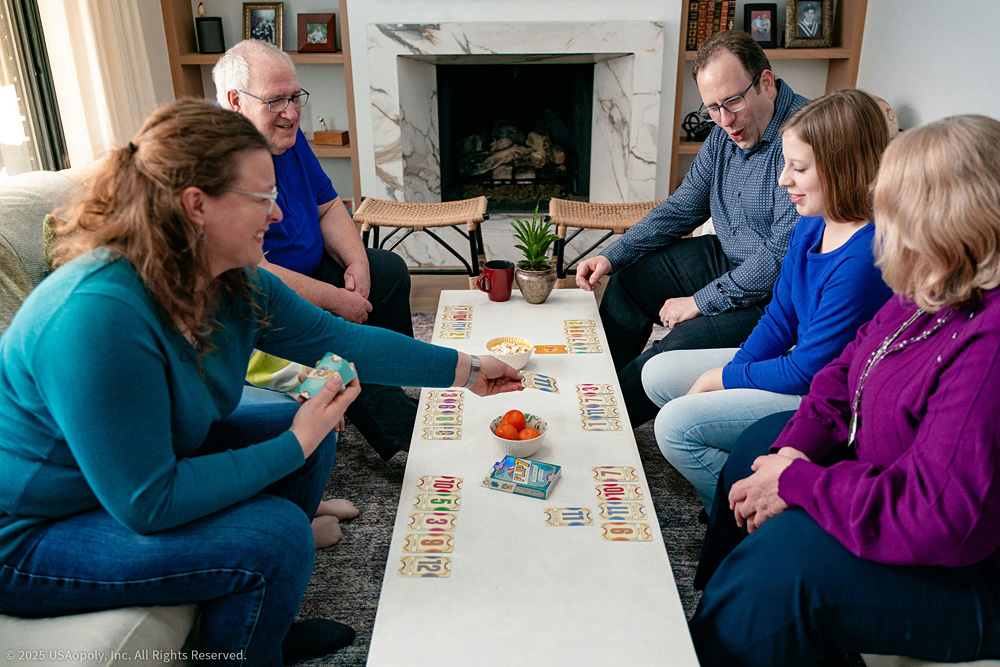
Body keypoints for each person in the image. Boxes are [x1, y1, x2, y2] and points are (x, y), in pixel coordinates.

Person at [0, 99, 523, 665]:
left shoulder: (232, 280)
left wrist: (469, 370)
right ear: (196, 206)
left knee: (302, 443)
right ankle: (252, 618)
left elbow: (344, 341)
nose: (278, 214)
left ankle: (256, 621)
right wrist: (296, 440)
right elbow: (148, 503)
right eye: (262, 197)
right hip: (32, 534)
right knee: (278, 532)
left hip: (127, 480)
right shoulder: (96, 318)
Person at [689, 114, 1000, 666]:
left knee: (781, 571)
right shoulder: (932, 284)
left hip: (967, 570)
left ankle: (743, 619)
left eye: (892, 209)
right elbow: (844, 370)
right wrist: (792, 454)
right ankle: (716, 620)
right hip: (883, 480)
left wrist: (799, 482)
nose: (880, 223)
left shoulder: (989, 343)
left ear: (945, 223)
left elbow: (937, 512)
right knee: (755, 450)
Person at [640, 90, 893, 511]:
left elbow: (809, 371)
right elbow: (779, 319)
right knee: (657, 373)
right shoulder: (812, 223)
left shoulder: (863, 259)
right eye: (785, 165)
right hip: (798, 368)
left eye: (799, 168)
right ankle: (741, 478)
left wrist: (722, 380)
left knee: (674, 426)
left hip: (821, 396)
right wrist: (732, 373)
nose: (783, 180)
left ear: (842, 168)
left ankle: (743, 513)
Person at [574, 30, 808, 427]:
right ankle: (596, 383)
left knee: (674, 349)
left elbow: (777, 260)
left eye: (733, 102)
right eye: (713, 108)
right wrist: (611, 255)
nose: (725, 121)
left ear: (766, 83)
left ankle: (599, 423)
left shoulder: (806, 137)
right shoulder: (722, 134)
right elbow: (682, 207)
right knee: (630, 278)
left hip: (779, 293)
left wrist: (699, 301)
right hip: (729, 256)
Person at [213, 39, 418, 462]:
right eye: (275, 100)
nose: (291, 112)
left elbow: (328, 205)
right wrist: (335, 299)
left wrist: (357, 262)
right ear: (235, 101)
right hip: (262, 297)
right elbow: (255, 273)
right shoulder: (214, 161)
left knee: (387, 271)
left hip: (307, 267)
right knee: (339, 335)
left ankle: (390, 385)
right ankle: (408, 434)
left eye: (295, 97)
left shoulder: (282, 134)